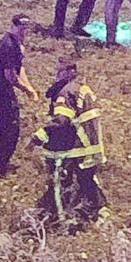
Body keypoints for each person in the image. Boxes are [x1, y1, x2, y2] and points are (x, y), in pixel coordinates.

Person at [30, 58, 106, 227]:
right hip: (90, 148)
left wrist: (40, 135)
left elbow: (62, 120)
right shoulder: (83, 89)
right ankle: (99, 212)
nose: (57, 75)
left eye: (59, 71)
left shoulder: (66, 92)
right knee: (87, 182)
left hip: (75, 149)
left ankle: (61, 221)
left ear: (68, 72)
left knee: (59, 184)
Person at [0, 14, 39, 177]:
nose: (24, 32)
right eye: (21, 28)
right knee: (8, 129)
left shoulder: (17, 43)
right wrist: (27, 90)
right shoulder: (8, 45)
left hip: (3, 91)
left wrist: (30, 88)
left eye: (26, 29)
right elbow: (10, 76)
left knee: (9, 128)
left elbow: (19, 69)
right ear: (13, 26)